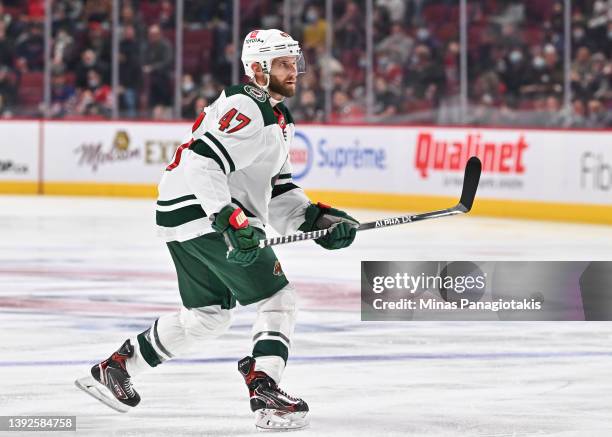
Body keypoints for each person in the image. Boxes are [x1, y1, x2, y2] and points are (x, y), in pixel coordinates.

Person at [75, 29, 359, 431]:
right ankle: (265, 387)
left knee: (207, 317)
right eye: (283, 63)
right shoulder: (249, 104)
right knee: (279, 297)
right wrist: (226, 219)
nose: (293, 70)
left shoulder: (278, 118)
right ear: (258, 70)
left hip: (182, 216)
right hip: (201, 211)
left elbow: (277, 193)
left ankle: (118, 365)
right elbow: (201, 162)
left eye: (295, 62)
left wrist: (316, 221)